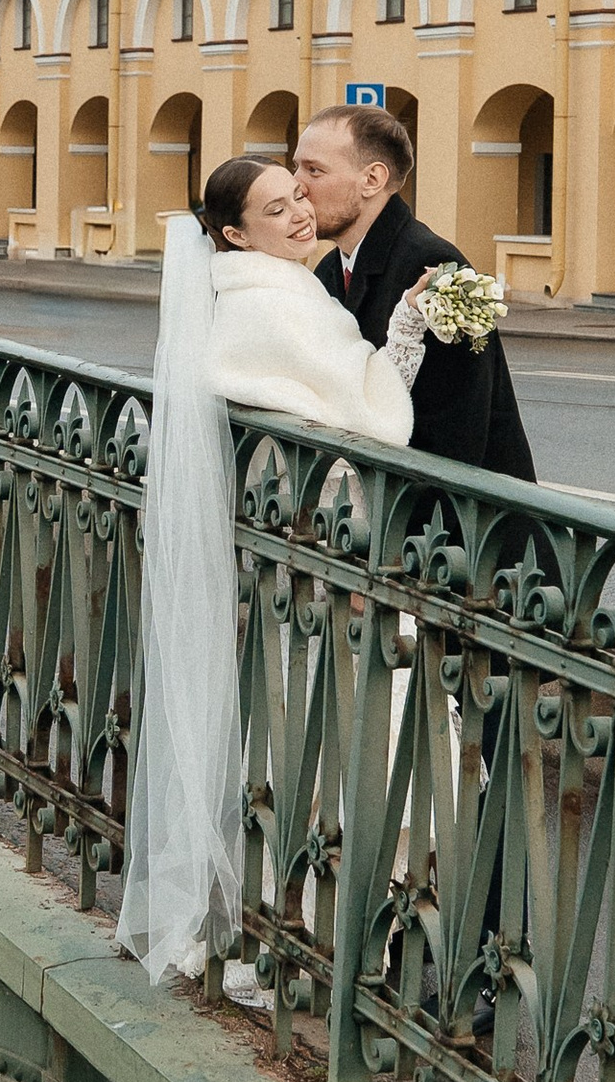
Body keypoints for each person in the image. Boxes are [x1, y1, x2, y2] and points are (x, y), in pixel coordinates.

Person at [117, 151, 432, 987]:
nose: (298, 215)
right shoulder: (274, 303)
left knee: (305, 741)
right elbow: (371, 415)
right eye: (274, 209)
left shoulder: (260, 290)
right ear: (233, 234)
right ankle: (334, 945)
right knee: (360, 739)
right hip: (330, 556)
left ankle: (313, 928)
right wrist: (406, 332)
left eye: (299, 197)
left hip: (306, 553)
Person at [291, 106, 536, 482]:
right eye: (297, 168)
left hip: (452, 527)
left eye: (314, 170)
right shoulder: (329, 268)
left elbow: (455, 431)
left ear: (372, 179)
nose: (297, 186)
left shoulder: (434, 268)